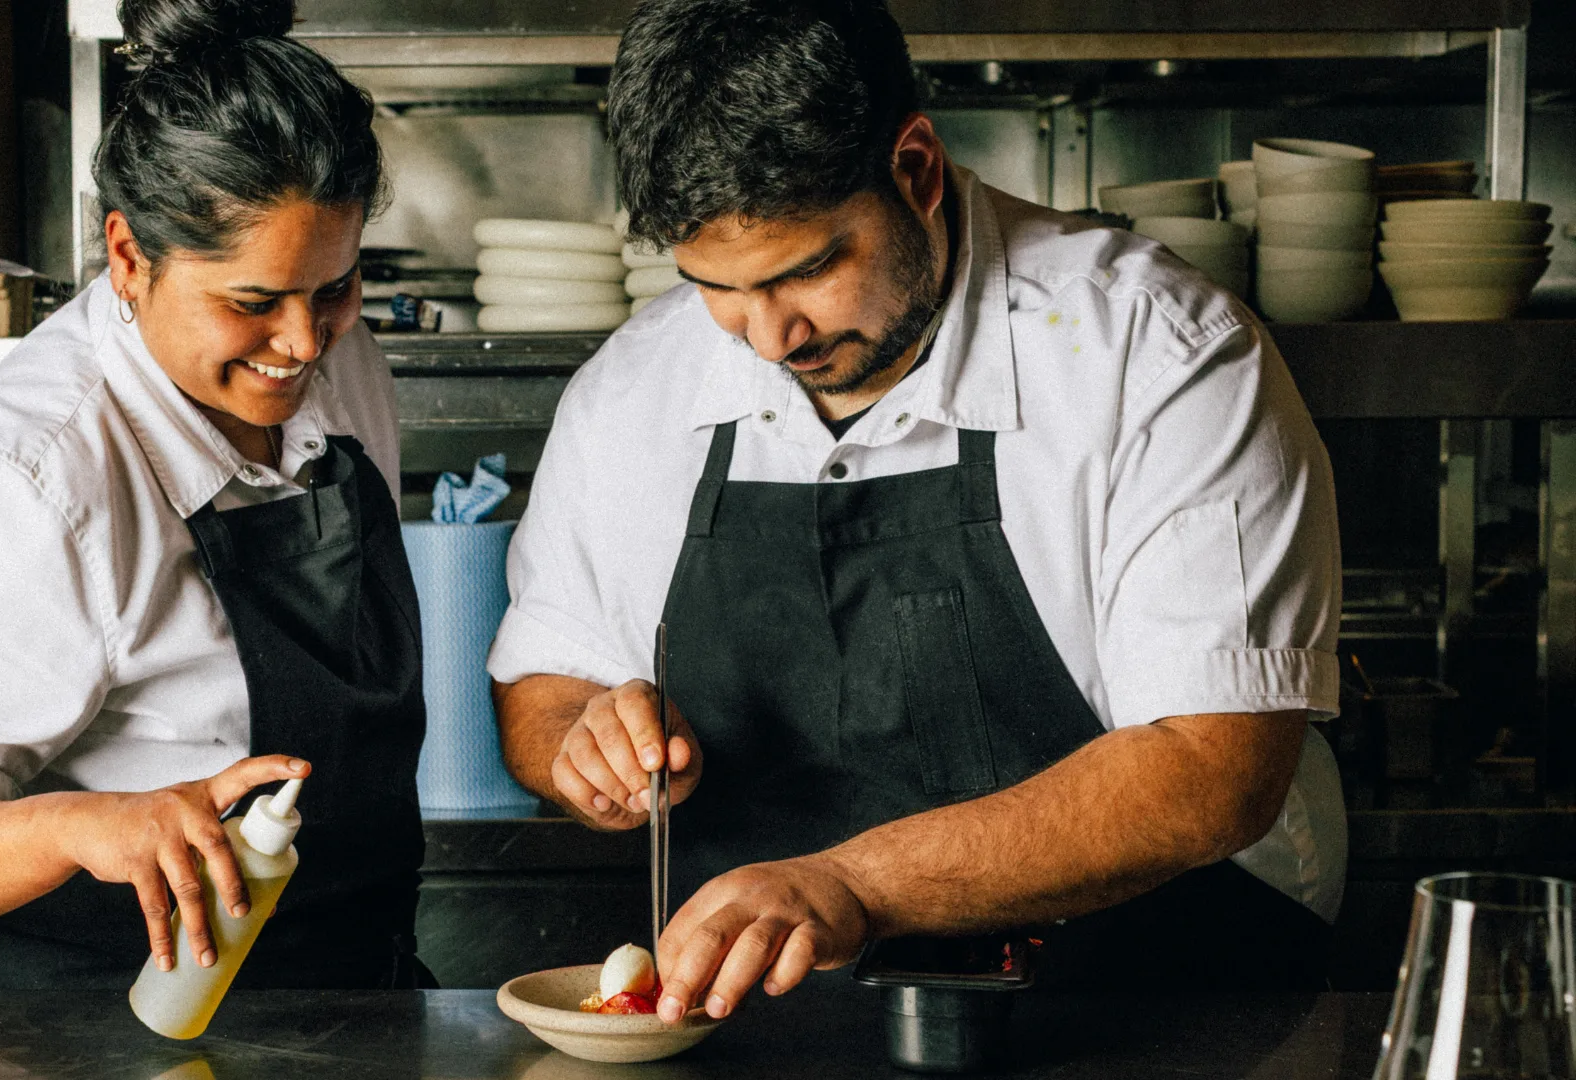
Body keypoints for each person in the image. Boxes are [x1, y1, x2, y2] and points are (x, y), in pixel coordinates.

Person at [491, 0, 1346, 1021]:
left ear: (917, 170)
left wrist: (856, 885)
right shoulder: (633, 391)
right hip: (761, 1026)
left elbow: (1214, 771)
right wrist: (582, 741)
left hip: (1156, 1004)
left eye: (809, 269)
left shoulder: (1157, 355)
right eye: (715, 286)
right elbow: (546, 680)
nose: (768, 335)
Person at [0, 0, 433, 990]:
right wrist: (85, 823)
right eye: (251, 303)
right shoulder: (21, 480)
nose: (305, 343)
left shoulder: (336, 362)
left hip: (343, 992)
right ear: (127, 257)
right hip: (70, 1028)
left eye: (335, 287)